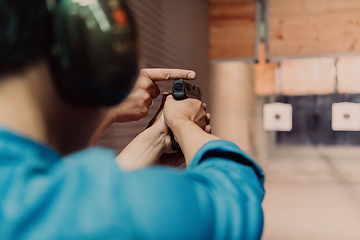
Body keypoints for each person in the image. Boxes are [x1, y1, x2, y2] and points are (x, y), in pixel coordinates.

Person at [0, 0, 265, 239]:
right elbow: (235, 191)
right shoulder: (101, 214)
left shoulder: (36, 200)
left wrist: (157, 137)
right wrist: (182, 123)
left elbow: (74, 193)